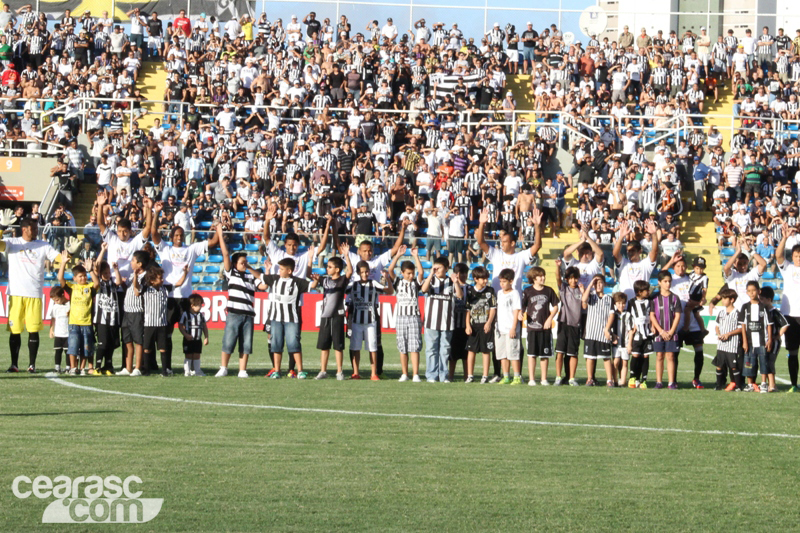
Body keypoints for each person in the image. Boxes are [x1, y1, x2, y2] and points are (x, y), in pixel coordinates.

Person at [334, 217, 408, 377]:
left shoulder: (377, 261)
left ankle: (377, 371)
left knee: (375, 342)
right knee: (354, 342)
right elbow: (338, 247)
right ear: (358, 251)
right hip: (353, 307)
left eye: (370, 250)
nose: (368, 253)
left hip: (372, 308)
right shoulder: (352, 258)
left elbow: (395, 248)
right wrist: (333, 227)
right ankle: (356, 372)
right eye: (364, 251)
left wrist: (403, 228)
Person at [151, 202, 219, 374]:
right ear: (172, 236)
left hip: (186, 297)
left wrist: (218, 227)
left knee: (191, 333)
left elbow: (212, 243)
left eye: (181, 234)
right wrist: (156, 214)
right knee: (166, 334)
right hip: (169, 296)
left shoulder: (192, 249)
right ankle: (166, 366)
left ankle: (189, 366)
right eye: (176, 235)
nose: (179, 237)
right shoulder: (165, 249)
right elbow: (153, 233)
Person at [0, 214, 61, 373]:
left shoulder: (43, 245)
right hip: (16, 294)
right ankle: (14, 364)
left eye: (36, 228)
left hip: (34, 293)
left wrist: (68, 256)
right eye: (33, 228)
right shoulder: (13, 243)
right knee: (15, 330)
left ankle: (32, 365)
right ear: (24, 229)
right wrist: (1, 228)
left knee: (33, 329)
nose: (35, 231)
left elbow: (58, 257)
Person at [215, 224, 267, 378]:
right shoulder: (231, 274)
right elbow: (225, 255)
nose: (244, 264)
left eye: (246, 261)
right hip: (234, 313)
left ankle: (242, 370)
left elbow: (263, 285)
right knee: (228, 342)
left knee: (246, 344)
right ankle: (223, 367)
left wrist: (255, 268)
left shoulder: (251, 276)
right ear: (235, 264)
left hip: (248, 315)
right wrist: (219, 232)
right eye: (241, 262)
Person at [262, 257, 311, 379]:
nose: (279, 271)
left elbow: (311, 286)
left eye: (282, 269)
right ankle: (277, 371)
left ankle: (300, 371)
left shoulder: (298, 282)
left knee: (294, 344)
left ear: (289, 271)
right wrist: (248, 267)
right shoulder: (274, 279)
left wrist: (316, 280)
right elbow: (260, 277)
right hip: (276, 318)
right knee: (276, 345)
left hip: (291, 319)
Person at [310, 243, 353, 380]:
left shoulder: (341, 280)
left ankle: (339, 371)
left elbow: (350, 272)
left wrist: (346, 255)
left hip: (337, 316)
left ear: (337, 269)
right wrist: (315, 279)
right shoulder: (325, 280)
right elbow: (312, 283)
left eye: (329, 267)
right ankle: (323, 371)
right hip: (325, 316)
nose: (327, 269)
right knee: (324, 345)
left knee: (338, 345)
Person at [137, 264, 188, 377]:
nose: (162, 280)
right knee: (147, 348)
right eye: (160, 278)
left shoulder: (165, 289)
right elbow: (136, 288)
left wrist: (185, 273)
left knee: (163, 348)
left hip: (162, 324)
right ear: (152, 280)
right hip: (149, 324)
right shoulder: (146, 290)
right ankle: (146, 369)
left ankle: (164, 370)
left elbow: (179, 284)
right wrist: (135, 276)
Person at [347, 260, 393, 380]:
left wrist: (387, 278)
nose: (365, 274)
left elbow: (390, 291)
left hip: (371, 322)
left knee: (373, 348)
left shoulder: (374, 283)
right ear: (358, 273)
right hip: (356, 322)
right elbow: (341, 289)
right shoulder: (353, 285)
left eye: (366, 272)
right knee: (355, 348)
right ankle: (355, 373)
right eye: (362, 272)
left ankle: (373, 373)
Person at [421, 256, 463, 383]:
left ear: (446, 268)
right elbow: (423, 289)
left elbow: (460, 296)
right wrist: (430, 275)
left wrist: (456, 282)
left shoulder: (451, 281)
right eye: (435, 267)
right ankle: (431, 375)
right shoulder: (431, 280)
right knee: (431, 349)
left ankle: (444, 376)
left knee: (444, 350)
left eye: (439, 268)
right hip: (431, 322)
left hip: (447, 322)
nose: (437, 270)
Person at [387, 246, 424, 382]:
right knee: (402, 345)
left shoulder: (415, 283)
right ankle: (404, 373)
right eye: (408, 273)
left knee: (414, 345)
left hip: (414, 316)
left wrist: (415, 256)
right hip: (401, 317)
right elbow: (390, 270)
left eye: (412, 273)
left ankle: (415, 374)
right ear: (402, 273)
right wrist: (398, 255)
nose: (411, 275)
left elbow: (421, 272)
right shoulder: (398, 282)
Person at [58, 252, 96, 375]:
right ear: (74, 278)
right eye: (80, 276)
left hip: (87, 323)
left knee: (86, 347)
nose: (83, 278)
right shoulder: (72, 287)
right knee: (73, 347)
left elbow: (97, 284)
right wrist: (63, 263)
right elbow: (60, 279)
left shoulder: (89, 287)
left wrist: (90, 271)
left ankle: (82, 368)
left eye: (84, 276)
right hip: (74, 323)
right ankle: (73, 368)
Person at [521, 266, 559, 385]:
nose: (543, 278)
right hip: (532, 328)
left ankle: (544, 379)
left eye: (543, 275)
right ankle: (531, 379)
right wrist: (520, 315)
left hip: (545, 328)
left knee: (544, 354)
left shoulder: (549, 290)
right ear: (534, 278)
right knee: (532, 354)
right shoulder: (527, 291)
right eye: (540, 276)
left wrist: (549, 319)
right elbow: (522, 307)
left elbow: (556, 306)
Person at [775, 222, 800, 392]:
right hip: (790, 316)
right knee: (793, 352)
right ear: (793, 256)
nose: (799, 257)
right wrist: (784, 238)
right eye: (797, 255)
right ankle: (793, 384)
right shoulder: (788, 268)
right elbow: (778, 256)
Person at [649, 270, 682, 389]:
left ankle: (671, 382)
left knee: (670, 356)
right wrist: (661, 331)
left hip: (671, 333)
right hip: (659, 333)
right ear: (659, 282)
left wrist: (671, 331)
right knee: (659, 356)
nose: (668, 284)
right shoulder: (654, 298)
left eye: (669, 281)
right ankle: (659, 382)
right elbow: (652, 315)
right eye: (665, 281)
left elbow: (677, 315)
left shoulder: (675, 298)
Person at [581, 275, 616, 386]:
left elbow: (611, 315)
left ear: (604, 284)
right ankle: (590, 378)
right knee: (590, 357)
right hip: (591, 333)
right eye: (596, 283)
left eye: (600, 282)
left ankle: (609, 380)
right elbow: (583, 300)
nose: (598, 285)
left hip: (603, 334)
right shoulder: (591, 296)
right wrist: (590, 284)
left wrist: (607, 329)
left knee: (606, 358)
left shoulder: (609, 299)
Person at [92, 244, 121, 375]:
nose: (107, 275)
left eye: (108, 273)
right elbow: (97, 266)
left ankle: (108, 366)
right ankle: (97, 366)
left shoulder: (112, 284)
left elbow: (119, 282)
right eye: (105, 273)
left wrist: (116, 270)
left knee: (111, 344)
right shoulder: (99, 284)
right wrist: (103, 249)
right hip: (101, 319)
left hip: (113, 319)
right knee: (102, 344)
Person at [120, 250, 150, 376]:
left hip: (137, 312)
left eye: (133, 260)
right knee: (127, 340)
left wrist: (136, 277)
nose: (131, 262)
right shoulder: (132, 274)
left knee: (138, 340)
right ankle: (128, 368)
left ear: (140, 263)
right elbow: (127, 288)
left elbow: (138, 291)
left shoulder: (146, 277)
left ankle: (137, 367)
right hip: (127, 311)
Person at [613, 219, 660, 300]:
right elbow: (615, 254)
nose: (629, 253)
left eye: (632, 251)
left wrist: (654, 234)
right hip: (625, 304)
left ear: (640, 251)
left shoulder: (646, 264)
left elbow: (655, 251)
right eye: (628, 251)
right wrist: (621, 237)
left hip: (642, 303)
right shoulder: (624, 263)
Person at [465, 266, 497, 384]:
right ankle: (470, 375)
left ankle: (484, 376)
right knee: (471, 350)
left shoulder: (490, 291)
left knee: (486, 350)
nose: (485, 281)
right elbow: (467, 311)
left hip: (485, 325)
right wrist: (467, 325)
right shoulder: (469, 291)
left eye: (486, 278)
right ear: (475, 279)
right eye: (482, 279)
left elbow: (493, 309)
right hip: (474, 326)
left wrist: (489, 323)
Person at [739, 281, 772, 392]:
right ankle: (750, 384)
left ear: (759, 291)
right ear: (746, 292)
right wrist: (744, 341)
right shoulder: (745, 307)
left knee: (763, 362)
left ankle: (763, 383)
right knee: (749, 363)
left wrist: (770, 339)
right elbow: (743, 325)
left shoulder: (763, 307)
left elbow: (769, 325)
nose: (752, 293)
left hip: (762, 341)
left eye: (754, 290)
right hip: (749, 341)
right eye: (749, 291)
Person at [554, 262, 583, 386]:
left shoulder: (581, 290)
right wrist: (557, 266)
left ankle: (571, 378)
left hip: (575, 325)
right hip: (563, 323)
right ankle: (558, 377)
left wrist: (583, 291)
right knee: (560, 352)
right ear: (567, 279)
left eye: (575, 277)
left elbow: (585, 303)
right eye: (571, 278)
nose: (574, 280)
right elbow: (557, 277)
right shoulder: (564, 288)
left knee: (573, 353)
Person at [494, 268, 522, 385]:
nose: (502, 284)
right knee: (502, 354)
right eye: (500, 282)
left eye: (504, 282)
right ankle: (506, 376)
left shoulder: (514, 293)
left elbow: (516, 311)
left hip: (511, 328)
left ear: (511, 281)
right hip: (500, 329)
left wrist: (513, 327)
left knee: (513, 354)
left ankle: (517, 377)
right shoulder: (499, 293)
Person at [713, 288, 742, 391]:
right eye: (722, 298)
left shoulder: (737, 313)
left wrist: (729, 334)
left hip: (732, 345)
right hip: (721, 344)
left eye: (725, 298)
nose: (722, 300)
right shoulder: (721, 312)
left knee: (734, 366)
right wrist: (719, 333)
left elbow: (741, 328)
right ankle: (719, 384)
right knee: (719, 365)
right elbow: (717, 326)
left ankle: (738, 386)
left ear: (732, 300)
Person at [759, 286, 787, 393]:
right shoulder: (762, 311)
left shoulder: (774, 312)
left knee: (770, 361)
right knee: (764, 361)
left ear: (769, 299)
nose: (760, 301)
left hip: (773, 342)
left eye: (762, 299)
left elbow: (785, 324)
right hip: (764, 341)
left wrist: (777, 336)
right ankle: (767, 384)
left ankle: (772, 385)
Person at [627, 280, 654, 388]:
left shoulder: (650, 302)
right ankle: (633, 377)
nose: (648, 292)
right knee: (636, 355)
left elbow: (652, 315)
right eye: (646, 290)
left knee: (646, 356)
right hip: (637, 334)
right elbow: (629, 317)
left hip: (647, 334)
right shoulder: (631, 302)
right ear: (639, 292)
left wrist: (652, 325)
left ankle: (644, 380)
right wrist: (631, 329)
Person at [448, 262, 470, 381]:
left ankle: (467, 376)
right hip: (453, 325)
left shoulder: (470, 288)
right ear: (456, 274)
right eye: (461, 273)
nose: (464, 275)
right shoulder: (450, 287)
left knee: (466, 353)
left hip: (466, 326)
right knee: (453, 354)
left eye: (466, 273)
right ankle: (450, 376)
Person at [179, 293, 209, 377]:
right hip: (188, 339)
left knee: (197, 355)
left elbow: (204, 326)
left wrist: (206, 337)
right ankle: (187, 371)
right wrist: (185, 334)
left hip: (197, 339)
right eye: (199, 305)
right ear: (192, 305)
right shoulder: (185, 314)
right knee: (188, 355)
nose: (200, 306)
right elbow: (180, 325)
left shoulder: (201, 315)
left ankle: (197, 371)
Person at [607, 292, 633, 387]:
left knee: (625, 362)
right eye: (618, 303)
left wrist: (630, 344)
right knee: (616, 362)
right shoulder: (613, 315)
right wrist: (613, 335)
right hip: (616, 344)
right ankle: (615, 380)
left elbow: (630, 330)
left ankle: (622, 381)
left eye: (623, 303)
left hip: (625, 343)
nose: (621, 305)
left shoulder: (628, 315)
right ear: (615, 304)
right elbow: (609, 328)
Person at [49, 286, 70, 374]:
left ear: (62, 295)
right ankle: (57, 367)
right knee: (58, 350)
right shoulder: (55, 306)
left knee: (67, 351)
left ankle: (68, 367)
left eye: (57, 299)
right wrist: (51, 330)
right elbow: (53, 318)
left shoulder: (69, 304)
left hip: (67, 333)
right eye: (54, 300)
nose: (55, 302)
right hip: (58, 333)